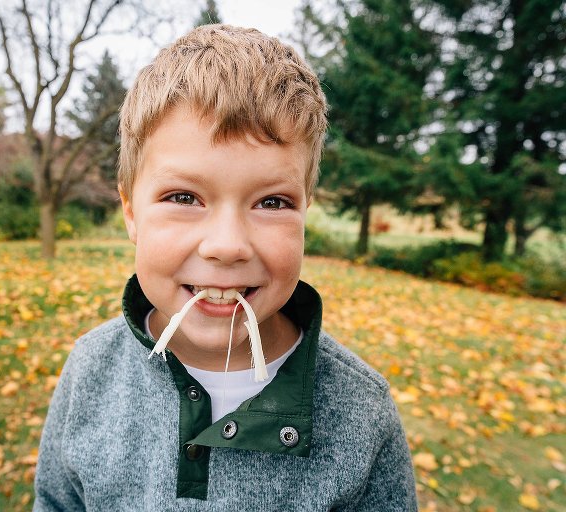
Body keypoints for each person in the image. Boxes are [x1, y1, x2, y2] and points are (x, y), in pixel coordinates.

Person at [34, 24, 417, 511]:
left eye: (272, 202)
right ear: (131, 213)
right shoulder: (89, 369)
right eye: (183, 197)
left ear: (306, 210)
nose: (227, 246)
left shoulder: (362, 413)